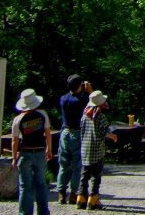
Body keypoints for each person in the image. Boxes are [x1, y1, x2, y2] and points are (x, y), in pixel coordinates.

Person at [11, 88, 53, 215]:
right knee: (41, 184)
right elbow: (47, 133)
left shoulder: (18, 119)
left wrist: (14, 157)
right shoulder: (42, 114)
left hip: (25, 153)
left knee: (25, 186)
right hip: (40, 152)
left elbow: (15, 140)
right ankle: (43, 212)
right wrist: (49, 149)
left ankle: (25, 212)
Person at [78, 90, 117, 210]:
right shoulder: (100, 116)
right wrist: (113, 136)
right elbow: (105, 131)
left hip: (85, 149)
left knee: (84, 176)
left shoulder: (84, 116)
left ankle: (81, 198)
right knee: (96, 175)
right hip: (97, 150)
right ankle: (93, 199)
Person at [56, 75, 91, 205]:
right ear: (79, 86)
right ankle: (74, 193)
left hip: (64, 133)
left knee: (64, 164)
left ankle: (61, 192)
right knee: (77, 165)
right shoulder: (82, 100)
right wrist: (89, 91)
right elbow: (96, 104)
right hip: (77, 133)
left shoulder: (63, 99)